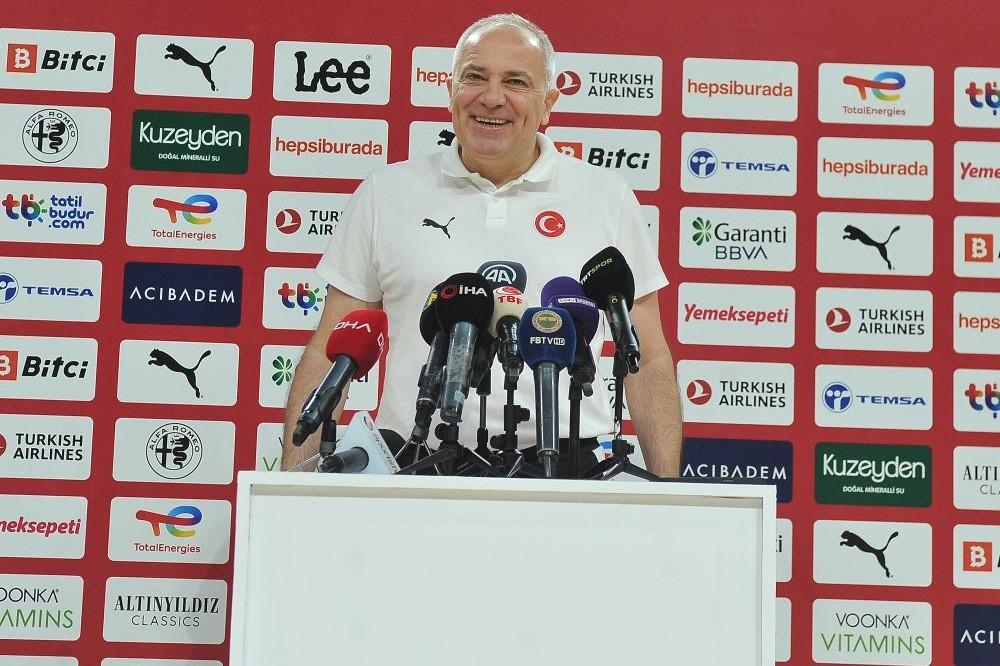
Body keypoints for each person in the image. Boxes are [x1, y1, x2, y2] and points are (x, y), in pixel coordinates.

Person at [282, 13, 682, 477]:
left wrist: (668, 495)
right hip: (415, 468)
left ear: (548, 103)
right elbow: (331, 349)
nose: (492, 97)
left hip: (568, 474)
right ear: (450, 90)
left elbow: (648, 356)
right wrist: (293, 489)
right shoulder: (384, 193)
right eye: (475, 77)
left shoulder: (606, 197)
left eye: (515, 81)